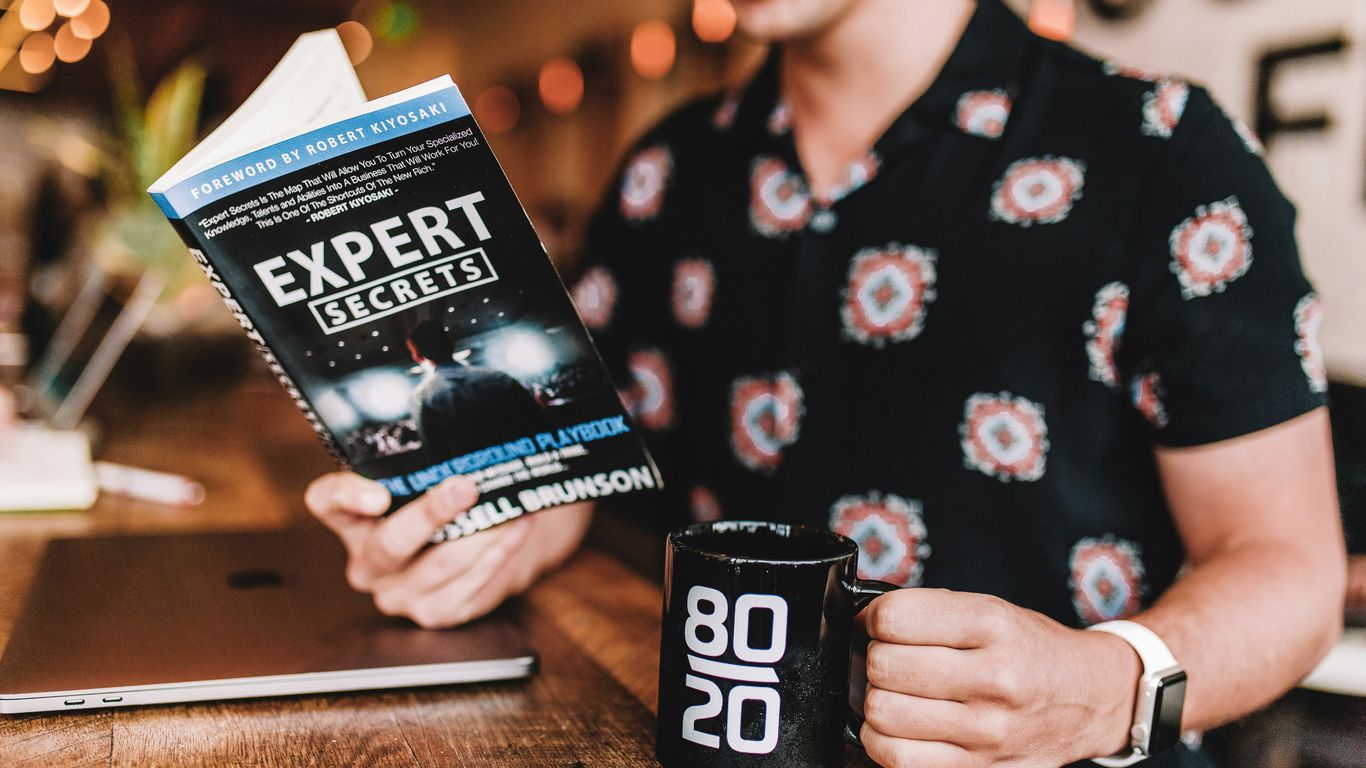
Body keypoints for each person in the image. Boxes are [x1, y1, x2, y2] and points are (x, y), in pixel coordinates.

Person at [307, 1, 1348, 766]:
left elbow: (1287, 568)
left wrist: (1102, 687)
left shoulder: (1160, 150)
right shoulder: (666, 172)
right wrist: (484, 536)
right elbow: (597, 468)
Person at [404, 320, 549, 460]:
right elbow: (538, 423)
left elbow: (435, 452)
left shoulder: (422, 397)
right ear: (450, 344)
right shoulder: (499, 377)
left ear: (417, 356)